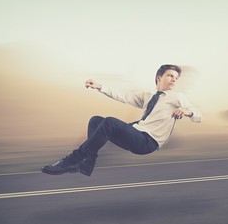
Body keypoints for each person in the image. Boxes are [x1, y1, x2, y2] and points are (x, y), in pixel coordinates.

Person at [41, 64, 202, 176]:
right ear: (159, 77)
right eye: (170, 76)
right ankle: (87, 163)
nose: (174, 79)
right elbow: (123, 96)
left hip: (147, 142)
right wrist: (100, 86)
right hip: (136, 133)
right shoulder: (148, 96)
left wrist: (186, 111)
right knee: (96, 120)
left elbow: (197, 114)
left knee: (109, 122)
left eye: (176, 77)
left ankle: (71, 160)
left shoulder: (178, 97)